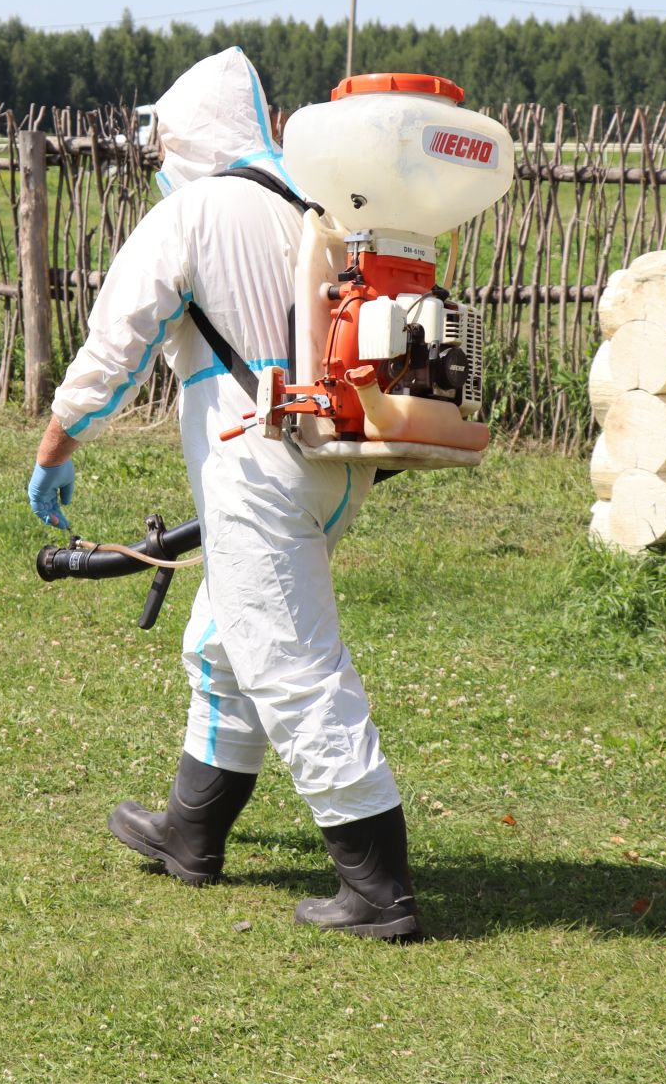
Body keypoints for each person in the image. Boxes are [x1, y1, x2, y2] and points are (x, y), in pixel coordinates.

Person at [26, 48, 420, 941]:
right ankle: (191, 832)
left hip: (256, 465)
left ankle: (378, 889)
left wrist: (57, 444)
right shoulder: (313, 204)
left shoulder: (193, 211)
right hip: (333, 461)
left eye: (164, 145)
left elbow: (116, 343)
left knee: (292, 663)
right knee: (221, 639)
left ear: (190, 137)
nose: (160, 162)